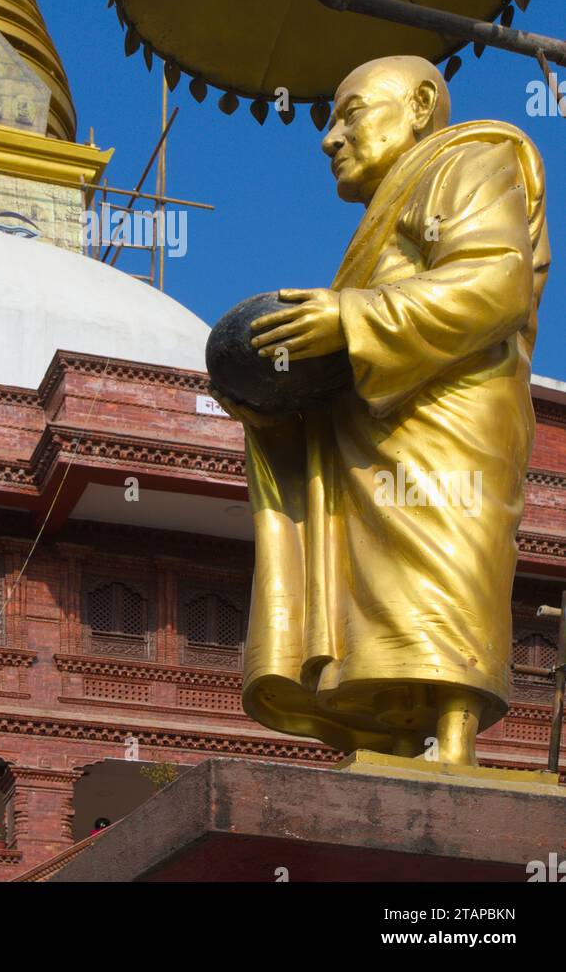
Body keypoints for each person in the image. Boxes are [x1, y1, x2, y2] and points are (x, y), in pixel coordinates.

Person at [220, 55, 549, 765]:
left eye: (350, 113)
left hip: (447, 426)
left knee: (445, 568)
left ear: (423, 104)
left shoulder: (471, 161)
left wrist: (351, 318)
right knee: (369, 587)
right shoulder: (389, 208)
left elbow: (496, 281)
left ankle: (454, 734)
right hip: (369, 428)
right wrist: (269, 394)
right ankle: (397, 733)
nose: (329, 138)